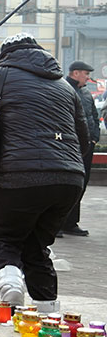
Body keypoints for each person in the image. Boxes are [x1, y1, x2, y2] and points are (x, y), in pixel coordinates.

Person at [0, 34, 88, 314]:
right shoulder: (64, 85)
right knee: (37, 246)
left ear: (6, 55)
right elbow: (84, 137)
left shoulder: (1, 76)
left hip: (20, 176)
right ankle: (49, 312)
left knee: (4, 239)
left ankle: (11, 285)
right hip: (69, 179)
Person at [58, 60, 97, 237]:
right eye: (86, 74)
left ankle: (71, 222)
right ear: (75, 73)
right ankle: (56, 224)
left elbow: (94, 117)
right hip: (69, 146)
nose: (88, 78)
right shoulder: (63, 89)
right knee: (65, 185)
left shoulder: (86, 93)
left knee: (81, 184)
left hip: (87, 146)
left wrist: (94, 138)